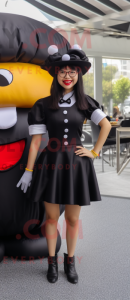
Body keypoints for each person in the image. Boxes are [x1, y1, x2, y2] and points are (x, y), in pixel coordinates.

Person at [16, 44, 111, 284]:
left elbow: (106, 126)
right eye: (62, 72)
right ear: (55, 75)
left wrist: (94, 152)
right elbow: (36, 142)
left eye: (72, 72)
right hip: (51, 164)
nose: (67, 76)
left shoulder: (86, 102)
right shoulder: (42, 105)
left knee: (71, 219)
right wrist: (28, 171)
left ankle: (70, 262)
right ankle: (51, 262)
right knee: (50, 218)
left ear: (78, 75)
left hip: (77, 165)